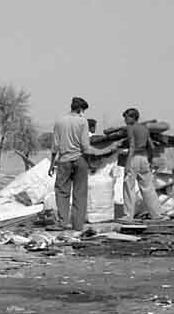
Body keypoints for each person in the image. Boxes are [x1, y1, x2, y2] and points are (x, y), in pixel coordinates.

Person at [48, 97, 121, 231]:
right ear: (81, 109)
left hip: (63, 161)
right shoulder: (82, 122)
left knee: (62, 192)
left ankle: (62, 223)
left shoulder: (59, 121)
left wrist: (52, 164)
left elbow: (55, 146)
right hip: (80, 161)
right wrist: (107, 150)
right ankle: (78, 225)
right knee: (80, 194)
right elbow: (86, 148)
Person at [121, 108, 163, 220]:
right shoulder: (144, 128)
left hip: (134, 158)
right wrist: (151, 159)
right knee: (148, 187)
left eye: (126, 117)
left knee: (128, 187)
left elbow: (132, 146)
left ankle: (128, 215)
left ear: (132, 118)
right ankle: (156, 214)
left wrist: (127, 165)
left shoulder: (130, 128)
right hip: (144, 158)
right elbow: (151, 146)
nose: (124, 120)